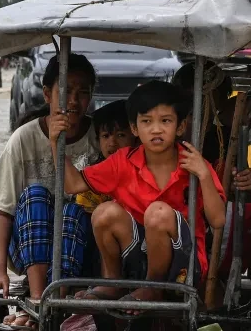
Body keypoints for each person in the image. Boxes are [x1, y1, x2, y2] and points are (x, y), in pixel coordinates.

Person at [52, 81, 226, 309]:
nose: (156, 129)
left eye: (165, 121)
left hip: (184, 263)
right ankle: (114, 282)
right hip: (139, 257)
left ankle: (152, 288)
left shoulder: (193, 163)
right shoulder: (123, 160)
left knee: (158, 212)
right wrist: (56, 142)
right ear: (135, 129)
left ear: (180, 126)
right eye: (147, 122)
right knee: (105, 212)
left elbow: (218, 220)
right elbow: (73, 184)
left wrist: (204, 175)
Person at [0, 54, 102, 328]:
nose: (73, 102)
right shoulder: (24, 138)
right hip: (29, 250)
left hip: (82, 249)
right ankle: (36, 301)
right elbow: (3, 209)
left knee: (73, 208)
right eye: (66, 92)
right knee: (36, 196)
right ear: (47, 94)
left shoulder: (98, 138)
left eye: (83, 93)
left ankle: (61, 296)